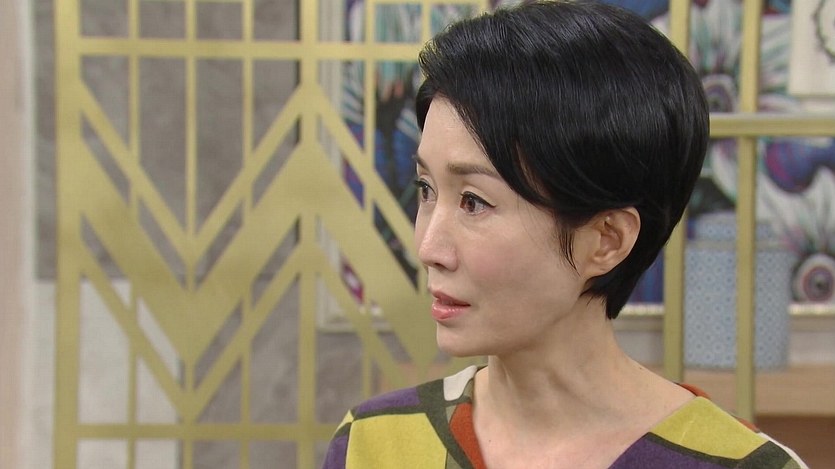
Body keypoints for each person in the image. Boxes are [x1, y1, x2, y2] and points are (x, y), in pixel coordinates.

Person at [322, 1, 807, 467]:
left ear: (607, 239)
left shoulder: (740, 464)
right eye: (426, 189)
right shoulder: (373, 445)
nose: (429, 247)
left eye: (473, 201)